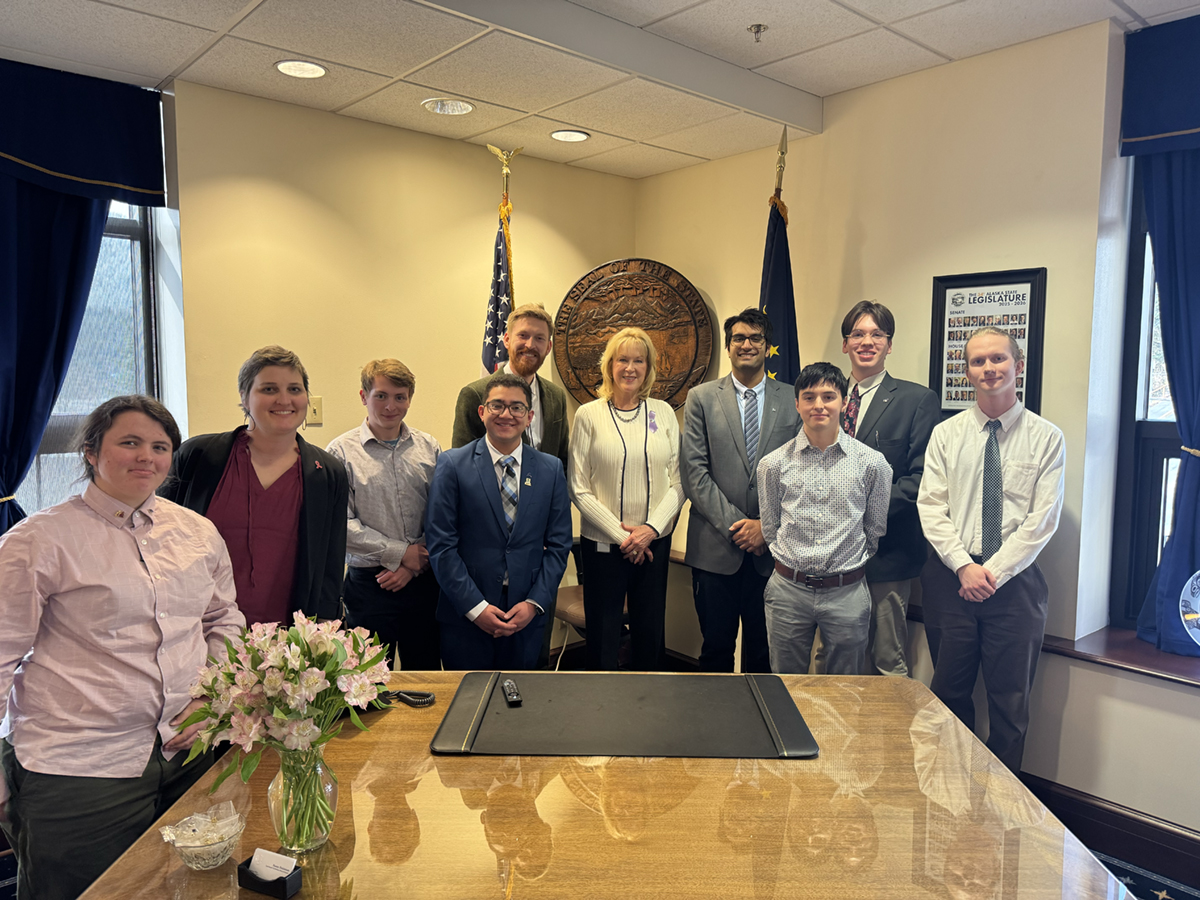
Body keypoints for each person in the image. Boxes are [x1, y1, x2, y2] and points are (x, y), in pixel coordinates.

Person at [0, 395, 245, 900]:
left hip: (191, 751)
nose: (146, 457)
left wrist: (215, 696)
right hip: (79, 766)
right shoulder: (39, 541)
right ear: (91, 451)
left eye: (159, 446)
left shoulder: (198, 533)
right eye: (129, 442)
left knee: (192, 887)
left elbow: (224, 619)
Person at [917, 327, 1064, 773]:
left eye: (998, 359)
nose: (989, 369)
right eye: (978, 362)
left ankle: (1002, 809)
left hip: (1015, 586)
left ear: (1017, 366)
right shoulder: (947, 434)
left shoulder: (1046, 437)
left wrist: (992, 571)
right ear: (967, 372)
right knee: (949, 696)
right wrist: (964, 567)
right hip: (950, 581)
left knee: (1010, 706)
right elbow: (931, 506)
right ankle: (952, 798)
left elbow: (1043, 520)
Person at [159, 345, 348, 625]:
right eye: (269, 389)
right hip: (200, 629)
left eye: (294, 389)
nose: (284, 400)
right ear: (245, 398)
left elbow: (330, 566)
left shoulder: (327, 473)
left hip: (287, 643)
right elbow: (160, 537)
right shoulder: (198, 458)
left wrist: (323, 635)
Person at [818, 300, 939, 676]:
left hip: (887, 556)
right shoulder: (826, 400)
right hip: (829, 555)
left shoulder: (916, 400)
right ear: (845, 344)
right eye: (857, 334)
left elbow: (921, 479)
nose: (866, 341)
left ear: (889, 344)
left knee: (888, 658)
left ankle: (888, 737)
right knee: (831, 655)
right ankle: (830, 734)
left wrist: (861, 515)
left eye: (876, 334)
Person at [426, 372, 572, 670]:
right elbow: (441, 546)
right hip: (466, 615)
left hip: (526, 615)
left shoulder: (550, 469)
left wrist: (533, 604)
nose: (507, 414)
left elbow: (559, 546)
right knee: (465, 704)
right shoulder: (452, 464)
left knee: (521, 707)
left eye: (517, 407)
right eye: (497, 406)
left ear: (529, 416)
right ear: (482, 412)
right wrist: (476, 608)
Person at [682, 307, 799, 673]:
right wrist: (740, 526)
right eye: (739, 339)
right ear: (729, 347)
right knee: (715, 649)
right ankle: (714, 730)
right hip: (715, 549)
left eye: (755, 339)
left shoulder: (794, 398)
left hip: (773, 552)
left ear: (767, 347)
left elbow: (800, 474)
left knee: (764, 655)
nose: (746, 345)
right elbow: (694, 473)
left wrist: (765, 527)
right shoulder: (701, 397)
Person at [757, 362, 890, 675]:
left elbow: (874, 531)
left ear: (843, 402)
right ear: (797, 404)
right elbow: (770, 529)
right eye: (809, 397)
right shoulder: (773, 465)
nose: (819, 405)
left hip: (847, 592)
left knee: (844, 689)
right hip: (788, 591)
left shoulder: (873, 465)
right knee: (785, 686)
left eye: (828, 396)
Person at [568, 327, 684, 671]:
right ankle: (601, 712)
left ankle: (648, 710)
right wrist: (625, 538)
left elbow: (679, 483)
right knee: (603, 637)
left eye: (638, 360)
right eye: (622, 359)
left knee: (650, 633)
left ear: (648, 367)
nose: (630, 368)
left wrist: (649, 530)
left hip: (654, 543)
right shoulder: (589, 414)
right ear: (610, 365)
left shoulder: (663, 412)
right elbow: (577, 486)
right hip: (604, 546)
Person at [326, 359, 441, 670]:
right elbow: (340, 524)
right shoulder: (340, 453)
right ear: (364, 396)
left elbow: (444, 515)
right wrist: (402, 553)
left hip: (424, 584)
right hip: (370, 587)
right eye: (381, 395)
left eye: (400, 397)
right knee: (368, 682)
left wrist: (414, 566)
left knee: (427, 675)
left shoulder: (430, 448)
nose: (391, 406)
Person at [452, 303, 570, 472]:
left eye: (539, 338)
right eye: (523, 335)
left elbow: (562, 461)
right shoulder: (474, 394)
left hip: (544, 497)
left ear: (548, 347)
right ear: (507, 340)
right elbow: (462, 465)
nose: (530, 345)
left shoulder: (556, 396)